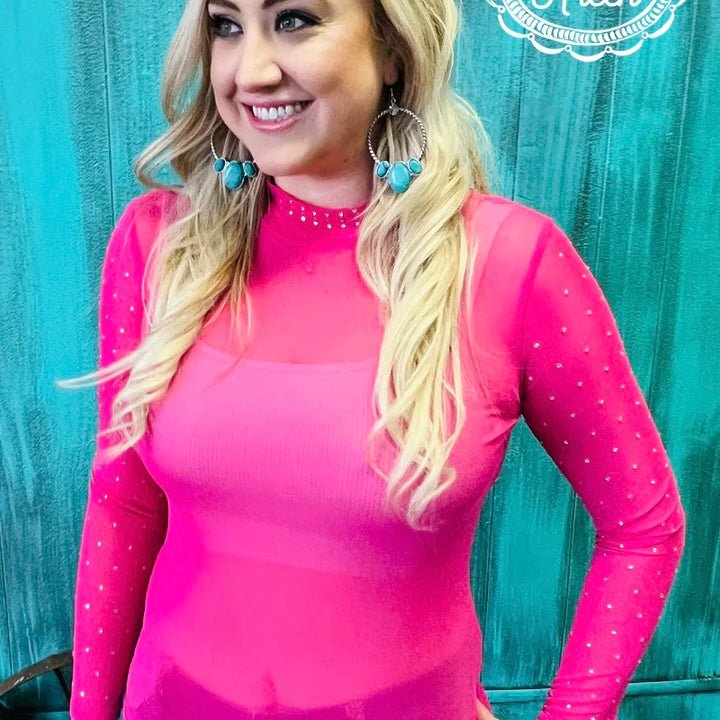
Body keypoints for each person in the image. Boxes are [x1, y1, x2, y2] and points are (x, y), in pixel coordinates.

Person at [57, 0, 687, 718]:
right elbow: (124, 504)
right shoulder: (160, 245)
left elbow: (644, 527)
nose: (251, 71)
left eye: (295, 19)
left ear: (391, 47)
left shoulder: (510, 264)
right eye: (226, 26)